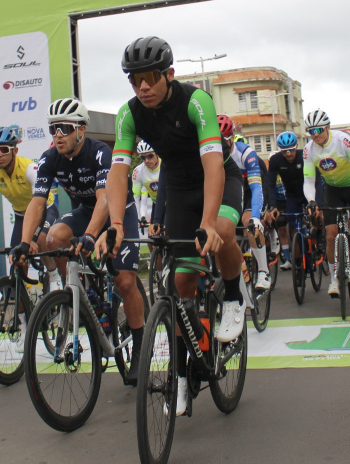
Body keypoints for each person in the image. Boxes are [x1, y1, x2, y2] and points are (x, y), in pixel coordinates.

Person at [99, 36, 244, 415]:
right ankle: (182, 374)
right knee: (180, 285)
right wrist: (115, 223)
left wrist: (209, 222)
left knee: (225, 232)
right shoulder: (129, 114)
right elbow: (118, 171)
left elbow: (213, 163)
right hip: (178, 185)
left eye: (149, 76)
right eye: (134, 79)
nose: (142, 86)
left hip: (217, 178)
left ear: (169, 74)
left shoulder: (197, 101)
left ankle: (233, 296)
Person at [13, 98, 145, 384]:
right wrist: (25, 242)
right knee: (55, 237)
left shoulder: (100, 153)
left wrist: (89, 235)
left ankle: (140, 344)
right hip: (86, 211)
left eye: (64, 128)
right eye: (52, 129)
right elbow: (37, 203)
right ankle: (80, 292)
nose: (57, 135)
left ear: (81, 130)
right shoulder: (49, 158)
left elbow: (105, 199)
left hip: (118, 210)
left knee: (124, 281)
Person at [0, 126, 58, 287]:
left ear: (14, 150)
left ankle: (54, 274)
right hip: (21, 216)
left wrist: (33, 239)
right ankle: (23, 310)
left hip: (45, 210)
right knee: (17, 263)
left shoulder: (29, 169)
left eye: (3, 149)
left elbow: (40, 205)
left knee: (41, 240)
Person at [302, 109, 350, 299]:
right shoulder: (309, 149)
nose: (315, 134)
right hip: (333, 190)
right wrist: (312, 201)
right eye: (311, 131)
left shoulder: (342, 141)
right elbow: (308, 180)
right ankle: (334, 279)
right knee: (331, 235)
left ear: (328, 127)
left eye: (318, 130)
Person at [218, 114, 271, 290]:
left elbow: (256, 187)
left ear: (232, 137)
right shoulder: (211, 154)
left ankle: (264, 271)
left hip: (248, 192)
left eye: (225, 140)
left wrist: (255, 216)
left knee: (249, 223)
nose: (222, 146)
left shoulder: (245, 153)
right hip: (228, 194)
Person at [265, 131, 307, 270]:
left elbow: (315, 180)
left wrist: (315, 201)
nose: (288, 154)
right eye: (284, 151)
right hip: (292, 196)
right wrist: (273, 206)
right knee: (293, 229)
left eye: (291, 150)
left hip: (307, 193)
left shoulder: (304, 156)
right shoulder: (276, 160)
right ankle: (297, 261)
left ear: (297, 146)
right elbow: (270, 184)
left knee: (312, 220)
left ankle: (317, 242)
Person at [131, 140, 161, 233]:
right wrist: (140, 217)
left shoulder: (165, 166)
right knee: (151, 236)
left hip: (172, 204)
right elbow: (136, 198)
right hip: (157, 204)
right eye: (143, 157)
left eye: (150, 156)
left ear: (157, 154)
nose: (147, 160)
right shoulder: (138, 171)